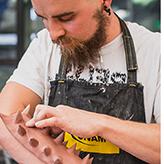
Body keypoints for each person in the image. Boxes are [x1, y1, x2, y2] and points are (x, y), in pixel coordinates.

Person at [0, 0, 160, 163]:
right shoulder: (44, 46)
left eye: (66, 18)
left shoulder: (156, 51)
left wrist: (99, 124)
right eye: (43, 18)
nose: (53, 34)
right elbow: (5, 121)